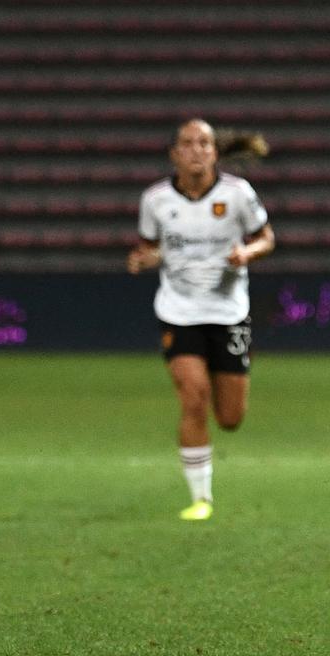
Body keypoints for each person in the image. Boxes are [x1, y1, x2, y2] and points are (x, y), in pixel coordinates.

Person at [127, 118, 275, 522]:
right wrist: (146, 258)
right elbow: (150, 245)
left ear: (215, 152)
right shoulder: (156, 199)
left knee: (229, 418)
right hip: (179, 313)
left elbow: (267, 238)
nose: (196, 150)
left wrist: (246, 254)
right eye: (188, 143)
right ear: (175, 153)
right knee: (193, 398)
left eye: (204, 143)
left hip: (228, 313)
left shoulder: (238, 194)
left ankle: (220, 380)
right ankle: (201, 499)